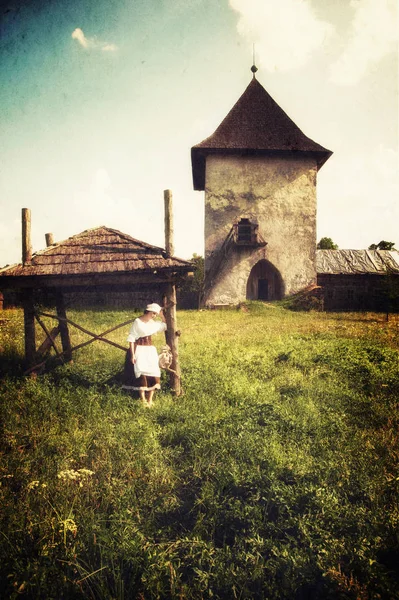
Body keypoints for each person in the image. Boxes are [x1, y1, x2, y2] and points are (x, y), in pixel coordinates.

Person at [122, 302, 167, 406]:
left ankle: (150, 400)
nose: (154, 316)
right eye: (153, 313)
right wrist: (133, 354)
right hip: (139, 349)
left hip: (150, 350)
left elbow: (165, 326)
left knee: (154, 372)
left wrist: (162, 315)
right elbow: (132, 338)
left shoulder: (152, 323)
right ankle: (143, 400)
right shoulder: (138, 322)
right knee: (141, 372)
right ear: (148, 311)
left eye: (156, 314)